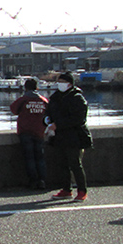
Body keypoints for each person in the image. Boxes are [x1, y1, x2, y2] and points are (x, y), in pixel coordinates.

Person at [45, 72, 92, 202]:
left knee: (75, 164)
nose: (59, 84)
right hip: (59, 137)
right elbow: (48, 112)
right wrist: (47, 121)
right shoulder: (55, 97)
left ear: (70, 84)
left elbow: (79, 119)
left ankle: (82, 191)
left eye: (62, 81)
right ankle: (66, 189)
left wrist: (57, 125)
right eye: (58, 81)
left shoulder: (77, 98)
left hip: (74, 137)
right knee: (62, 164)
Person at [10, 78, 49, 190]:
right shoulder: (43, 100)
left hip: (25, 132)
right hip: (39, 132)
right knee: (40, 157)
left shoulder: (23, 100)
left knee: (29, 158)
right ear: (37, 88)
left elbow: (13, 110)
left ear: (25, 88)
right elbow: (49, 114)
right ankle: (42, 181)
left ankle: (33, 181)